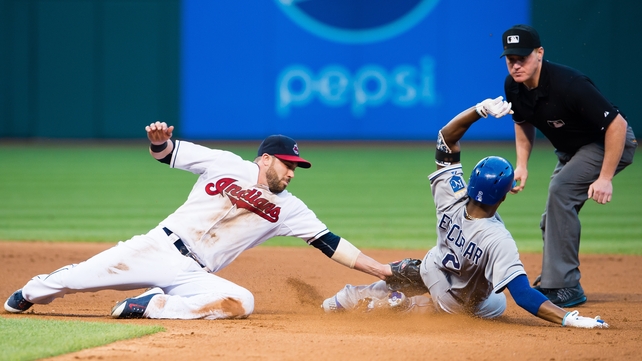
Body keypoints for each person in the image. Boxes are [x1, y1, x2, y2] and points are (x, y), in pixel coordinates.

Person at [4, 122, 393, 319]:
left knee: (242, 301)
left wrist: (383, 270)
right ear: (265, 159)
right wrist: (158, 140)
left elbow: (330, 243)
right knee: (76, 280)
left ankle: (153, 307)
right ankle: (34, 290)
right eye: (288, 164)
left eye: (296, 167)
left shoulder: (290, 208)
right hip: (157, 247)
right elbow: (167, 153)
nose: (292, 172)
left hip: (196, 273)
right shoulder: (225, 163)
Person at [321, 98, 609, 329]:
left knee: (423, 265)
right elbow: (523, 295)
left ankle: (345, 299)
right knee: (497, 302)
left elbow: (445, 139)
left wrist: (479, 110)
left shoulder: (452, 193)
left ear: (471, 181)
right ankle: (405, 305)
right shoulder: (498, 239)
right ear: (506, 194)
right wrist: (569, 317)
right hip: (458, 305)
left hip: (434, 271)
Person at [499, 24, 637, 307]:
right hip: (573, 150)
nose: (516, 65)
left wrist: (605, 178)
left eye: (522, 57)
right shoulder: (514, 86)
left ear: (539, 53)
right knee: (552, 216)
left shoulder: (569, 84)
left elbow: (617, 125)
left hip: (609, 143)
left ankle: (566, 285)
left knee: (560, 191)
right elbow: (522, 122)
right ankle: (555, 275)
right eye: (511, 59)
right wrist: (521, 165)